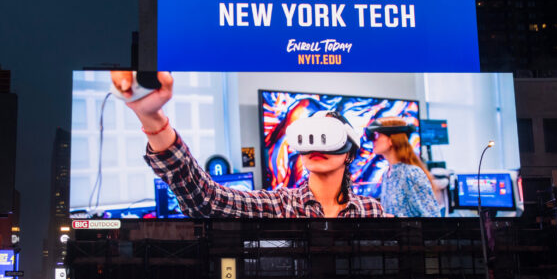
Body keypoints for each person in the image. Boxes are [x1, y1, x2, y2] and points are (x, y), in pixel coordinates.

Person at [111, 71, 384, 219]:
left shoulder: (371, 211)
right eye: (308, 135)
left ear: (349, 154)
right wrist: (152, 118)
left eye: (328, 136)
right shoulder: (278, 206)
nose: (316, 145)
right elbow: (205, 200)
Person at [370, 117, 441, 218]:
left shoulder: (411, 173)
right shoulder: (387, 174)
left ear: (391, 140)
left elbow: (433, 216)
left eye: (377, 135)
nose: (373, 140)